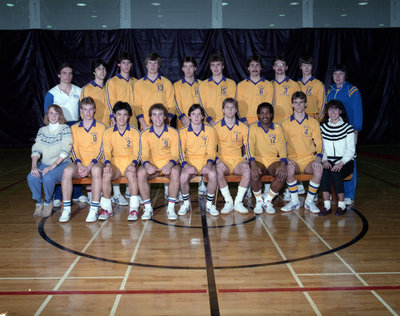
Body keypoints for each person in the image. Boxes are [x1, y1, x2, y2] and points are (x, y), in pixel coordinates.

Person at [44, 63, 87, 206]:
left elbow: (84, 112)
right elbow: (48, 115)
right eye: (64, 73)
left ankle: (77, 193)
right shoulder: (51, 93)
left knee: (75, 159)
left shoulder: (79, 90)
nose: (67, 76)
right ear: (58, 75)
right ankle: (58, 194)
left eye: (70, 73)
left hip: (76, 127)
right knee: (58, 160)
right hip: (60, 129)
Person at [59, 97, 106, 223]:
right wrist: (79, 165)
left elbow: (101, 150)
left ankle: (94, 210)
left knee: (96, 170)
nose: (88, 113)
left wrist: (89, 166)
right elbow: (73, 149)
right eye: (85, 110)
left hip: (96, 163)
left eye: (90, 109)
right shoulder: (74, 128)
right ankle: (66, 209)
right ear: (81, 111)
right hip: (80, 162)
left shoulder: (102, 128)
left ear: (94, 110)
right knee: (67, 171)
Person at [281, 91, 323, 214]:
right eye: (296, 103)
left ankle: (309, 201)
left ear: (305, 104)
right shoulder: (285, 123)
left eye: (301, 103)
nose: (298, 105)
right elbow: (282, 145)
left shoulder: (313, 122)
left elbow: (319, 144)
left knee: (319, 169)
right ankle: (294, 202)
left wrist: (318, 159)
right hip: (293, 158)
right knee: (289, 169)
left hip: (309, 158)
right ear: (292, 105)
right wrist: (287, 159)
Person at [137, 104, 181, 220]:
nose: (157, 118)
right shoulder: (145, 134)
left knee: (176, 172)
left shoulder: (173, 132)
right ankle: (148, 208)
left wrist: (170, 165)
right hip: (153, 166)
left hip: (169, 165)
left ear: (165, 117)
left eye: (160, 114)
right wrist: (146, 165)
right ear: (150, 118)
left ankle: (171, 209)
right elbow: (144, 154)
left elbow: (176, 154)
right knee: (141, 173)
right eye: (154, 115)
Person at [327, 64, 363, 205]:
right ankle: (331, 192)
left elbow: (357, 112)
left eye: (340, 74)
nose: (338, 77)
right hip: (332, 131)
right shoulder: (330, 90)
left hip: (348, 132)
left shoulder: (352, 90)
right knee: (331, 160)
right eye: (335, 74)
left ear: (345, 76)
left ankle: (349, 195)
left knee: (348, 161)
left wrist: (355, 132)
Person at [27, 105, 72, 217]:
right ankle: (38, 203)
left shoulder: (65, 128)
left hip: (62, 164)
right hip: (45, 163)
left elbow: (66, 149)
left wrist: (53, 166)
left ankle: (48, 202)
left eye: (56, 113)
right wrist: (34, 166)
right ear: (47, 115)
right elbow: (36, 148)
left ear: (60, 115)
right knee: (31, 177)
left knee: (48, 177)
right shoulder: (42, 130)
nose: (53, 116)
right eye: (51, 113)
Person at [106, 51, 137, 206]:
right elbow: (110, 103)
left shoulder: (136, 82)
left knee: (130, 155)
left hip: (133, 126)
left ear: (132, 65)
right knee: (116, 157)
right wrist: (114, 123)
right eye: (123, 62)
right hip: (118, 124)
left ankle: (127, 191)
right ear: (118, 64)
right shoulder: (112, 82)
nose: (126, 65)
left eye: (128, 63)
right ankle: (117, 193)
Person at [100, 101, 140, 221]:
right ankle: (107, 209)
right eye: (119, 114)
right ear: (114, 115)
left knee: (132, 175)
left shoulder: (134, 132)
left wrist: (133, 164)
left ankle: (133, 209)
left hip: (129, 163)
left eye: (124, 114)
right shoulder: (107, 132)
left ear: (129, 116)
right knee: (106, 174)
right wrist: (107, 164)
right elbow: (106, 151)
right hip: (115, 164)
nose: (122, 118)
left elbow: (137, 152)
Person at [178, 104, 219, 216]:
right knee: (183, 176)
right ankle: (186, 204)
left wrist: (209, 165)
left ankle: (210, 205)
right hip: (190, 161)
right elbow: (180, 153)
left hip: (206, 161)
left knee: (213, 175)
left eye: (199, 114)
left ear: (202, 117)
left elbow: (212, 152)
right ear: (189, 117)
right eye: (193, 114)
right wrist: (186, 166)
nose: (196, 117)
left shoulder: (210, 131)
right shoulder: (182, 132)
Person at [247, 103, 287, 214]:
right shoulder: (253, 128)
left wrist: (283, 165)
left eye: (267, 112)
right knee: (253, 174)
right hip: (258, 159)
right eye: (262, 113)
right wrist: (253, 165)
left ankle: (268, 201)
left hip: (273, 160)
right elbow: (249, 147)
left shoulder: (278, 128)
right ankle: (259, 201)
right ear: (258, 115)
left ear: (272, 114)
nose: (265, 115)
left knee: (283, 174)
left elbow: (283, 148)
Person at [319, 100, 355, 216]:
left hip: (346, 162)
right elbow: (321, 148)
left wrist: (341, 163)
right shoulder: (323, 128)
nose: (333, 112)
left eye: (335, 109)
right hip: (328, 160)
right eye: (330, 109)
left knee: (335, 171)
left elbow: (350, 151)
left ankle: (341, 205)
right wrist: (324, 160)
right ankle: (327, 206)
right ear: (327, 112)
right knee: (323, 170)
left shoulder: (348, 128)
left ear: (340, 111)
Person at [214, 98, 250, 214]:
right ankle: (228, 201)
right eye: (227, 107)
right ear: (223, 110)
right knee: (218, 170)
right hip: (223, 160)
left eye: (232, 107)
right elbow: (211, 149)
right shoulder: (215, 127)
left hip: (237, 160)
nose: (230, 110)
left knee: (247, 169)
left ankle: (238, 202)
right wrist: (217, 160)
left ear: (236, 110)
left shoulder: (243, 127)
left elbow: (249, 148)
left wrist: (247, 160)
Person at [133, 52, 175, 130]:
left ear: (158, 65)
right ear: (146, 65)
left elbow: (172, 106)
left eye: (155, 63)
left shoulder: (167, 83)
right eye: (150, 63)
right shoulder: (138, 84)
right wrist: (143, 124)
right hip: (145, 127)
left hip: (163, 127)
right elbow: (137, 106)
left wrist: (166, 123)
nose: (152, 66)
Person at [198, 54, 236, 126]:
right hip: (208, 122)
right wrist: (210, 120)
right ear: (210, 67)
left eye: (218, 65)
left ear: (223, 66)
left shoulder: (231, 83)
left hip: (226, 122)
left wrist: (225, 120)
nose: (215, 68)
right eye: (213, 65)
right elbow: (202, 105)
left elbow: (231, 105)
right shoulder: (203, 84)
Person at [236, 55, 274, 125]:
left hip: (262, 121)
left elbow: (269, 105)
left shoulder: (268, 85)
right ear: (248, 68)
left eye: (257, 65)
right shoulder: (240, 85)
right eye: (252, 65)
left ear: (261, 68)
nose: (254, 67)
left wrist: (261, 120)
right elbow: (239, 105)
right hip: (245, 122)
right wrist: (244, 120)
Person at [271, 56, 301, 123]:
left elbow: (299, 104)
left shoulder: (294, 85)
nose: (279, 67)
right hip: (272, 121)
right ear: (273, 67)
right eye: (277, 65)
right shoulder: (269, 85)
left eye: (282, 65)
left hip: (289, 120)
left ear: (286, 67)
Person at [174, 56, 200, 129]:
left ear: (195, 68)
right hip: (183, 123)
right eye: (185, 66)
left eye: (191, 66)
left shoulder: (202, 84)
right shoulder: (177, 85)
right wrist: (182, 117)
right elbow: (176, 104)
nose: (188, 69)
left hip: (200, 123)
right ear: (182, 69)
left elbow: (205, 103)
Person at [80, 59, 109, 126]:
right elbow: (83, 112)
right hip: (94, 127)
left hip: (108, 127)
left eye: (103, 68)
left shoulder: (108, 88)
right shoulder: (87, 88)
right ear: (94, 72)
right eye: (98, 69)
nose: (102, 71)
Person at [297, 55, 326, 121]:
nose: (306, 68)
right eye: (304, 65)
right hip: (298, 119)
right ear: (300, 67)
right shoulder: (296, 84)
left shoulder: (318, 84)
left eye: (309, 65)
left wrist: (318, 120)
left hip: (313, 119)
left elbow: (322, 105)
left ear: (312, 66)